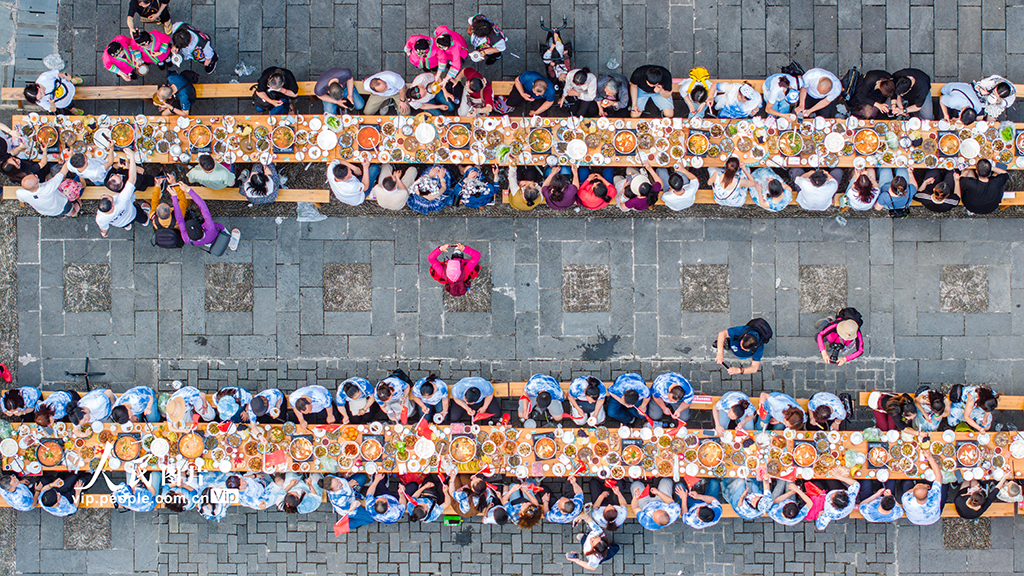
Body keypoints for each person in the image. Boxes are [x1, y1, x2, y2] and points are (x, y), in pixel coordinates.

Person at [95, 151, 149, 237]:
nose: (109, 195)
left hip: (120, 223)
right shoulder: (121, 200)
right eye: (110, 197)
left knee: (125, 224)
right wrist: (131, 156)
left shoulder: (100, 218)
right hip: (132, 214)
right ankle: (145, 221)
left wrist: (103, 233)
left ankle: (127, 226)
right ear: (112, 206)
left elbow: (103, 227)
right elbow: (132, 178)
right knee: (142, 217)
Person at [169, 182, 225, 247]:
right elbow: (203, 207)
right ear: (202, 229)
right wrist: (188, 190)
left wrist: (174, 197)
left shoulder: (186, 239)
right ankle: (231, 242)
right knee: (222, 229)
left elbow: (179, 220)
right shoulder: (210, 227)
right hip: (215, 233)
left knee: (209, 242)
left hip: (208, 242)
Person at [16, 166, 81, 218]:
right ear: (35, 186)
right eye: (36, 178)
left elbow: (21, 200)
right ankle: (74, 212)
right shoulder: (47, 188)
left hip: (44, 210)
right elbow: (62, 173)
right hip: (60, 206)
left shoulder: (20, 193)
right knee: (70, 211)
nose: (36, 175)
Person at [900, 451, 945, 525]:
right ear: (928, 491)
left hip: (914, 520)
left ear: (913, 494)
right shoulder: (934, 497)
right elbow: (939, 476)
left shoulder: (907, 500)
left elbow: (908, 492)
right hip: (934, 518)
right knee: (944, 486)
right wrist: (930, 458)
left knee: (906, 483)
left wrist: (915, 488)